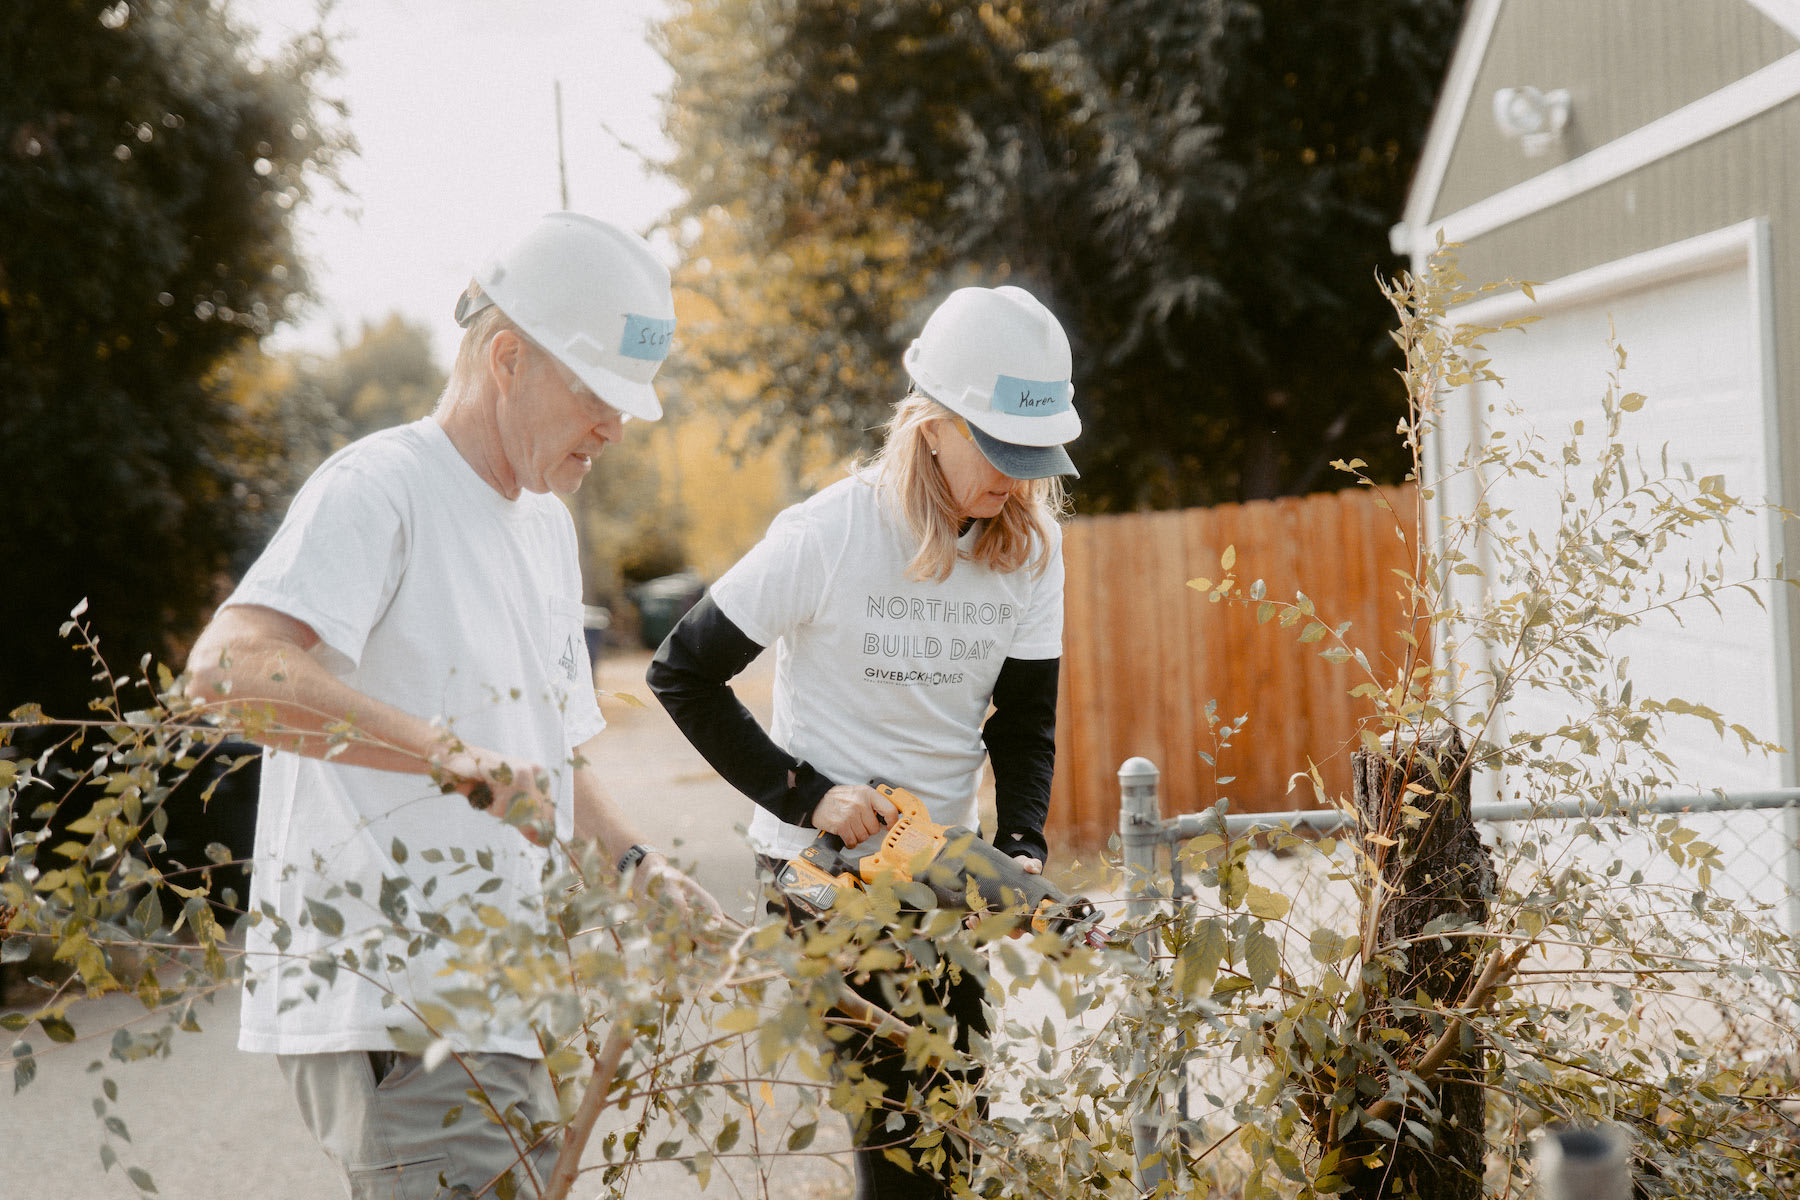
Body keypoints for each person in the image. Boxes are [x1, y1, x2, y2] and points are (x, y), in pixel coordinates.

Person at [184, 212, 718, 1199]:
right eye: (598, 394)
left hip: (503, 1007)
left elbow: (552, 750)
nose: (617, 424)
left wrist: (634, 867)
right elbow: (228, 671)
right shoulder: (381, 488)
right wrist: (443, 753)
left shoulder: (547, 530)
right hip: (402, 1012)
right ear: (508, 358)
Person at [647, 284, 1080, 1198]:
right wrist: (806, 794)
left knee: (958, 1121)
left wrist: (1021, 848)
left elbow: (1026, 722)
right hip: (824, 867)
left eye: (1034, 456)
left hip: (939, 863)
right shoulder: (830, 533)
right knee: (897, 1133)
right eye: (999, 450)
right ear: (931, 424)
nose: (1017, 479)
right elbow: (681, 672)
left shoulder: (1033, 553)